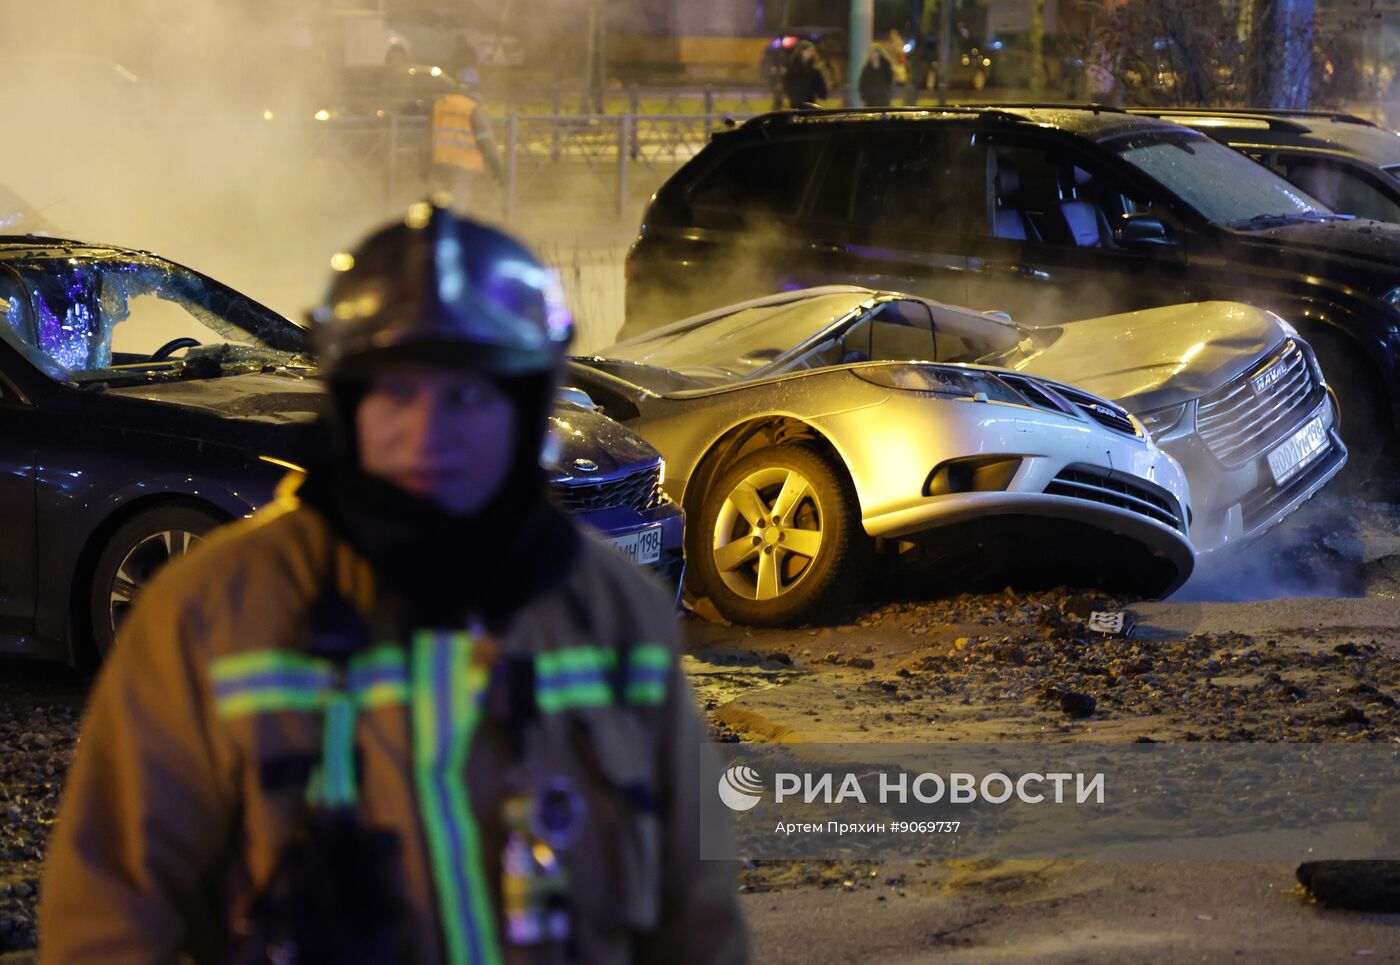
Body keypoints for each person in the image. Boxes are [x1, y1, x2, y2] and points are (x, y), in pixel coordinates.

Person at [39, 200, 749, 964]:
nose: (429, 432)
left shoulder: (615, 617)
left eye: (471, 395)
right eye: (396, 393)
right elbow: (105, 928)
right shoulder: (207, 618)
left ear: (532, 406)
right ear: (345, 406)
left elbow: (697, 924)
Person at [430, 71, 506, 213]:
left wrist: (423, 166)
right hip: (463, 166)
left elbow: (427, 138)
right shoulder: (472, 108)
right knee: (457, 210)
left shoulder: (440, 104)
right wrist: (499, 169)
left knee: (440, 205)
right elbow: (487, 143)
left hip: (440, 163)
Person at [782, 40, 828, 109]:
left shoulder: (814, 69)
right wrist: (790, 97)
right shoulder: (791, 67)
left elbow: (821, 86)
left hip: (810, 103)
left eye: (812, 51)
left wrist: (821, 97)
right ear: (801, 51)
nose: (811, 53)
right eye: (809, 50)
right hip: (794, 103)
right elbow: (787, 84)